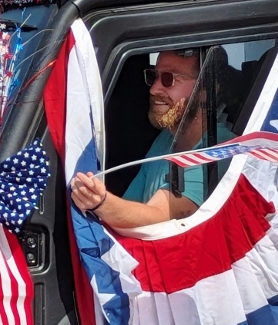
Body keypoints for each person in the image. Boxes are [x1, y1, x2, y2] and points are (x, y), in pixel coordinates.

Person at [70, 48, 234, 228]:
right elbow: (134, 203)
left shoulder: (221, 150)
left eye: (169, 79)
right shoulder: (166, 138)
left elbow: (161, 216)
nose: (154, 89)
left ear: (206, 91)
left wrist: (100, 203)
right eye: (154, 76)